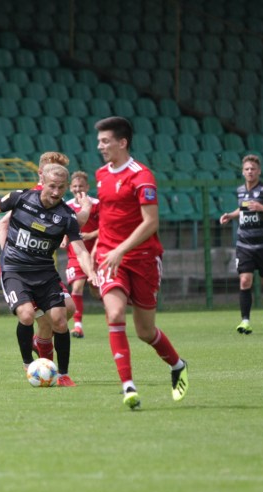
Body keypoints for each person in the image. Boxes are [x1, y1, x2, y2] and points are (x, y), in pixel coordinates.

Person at [92, 116, 188, 409]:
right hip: (110, 256)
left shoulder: (142, 176)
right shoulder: (100, 175)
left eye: (105, 141)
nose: (100, 146)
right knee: (116, 312)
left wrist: (122, 249)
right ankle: (128, 386)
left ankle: (178, 365)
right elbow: (108, 216)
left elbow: (151, 222)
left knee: (145, 331)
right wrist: (101, 247)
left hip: (143, 259)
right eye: (99, 141)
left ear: (122, 142)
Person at [0, 164, 94, 387]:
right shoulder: (21, 198)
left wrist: (91, 273)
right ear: (43, 182)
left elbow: (79, 248)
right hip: (15, 270)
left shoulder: (66, 216)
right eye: (52, 186)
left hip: (45, 274)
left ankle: (63, 375)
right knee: (26, 315)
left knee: (60, 321)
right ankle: (27, 363)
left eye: (61, 188)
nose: (55, 192)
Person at [219, 154, 263, 334]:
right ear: (243, 171)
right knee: (245, 280)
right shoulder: (241, 190)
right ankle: (245, 321)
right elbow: (244, 207)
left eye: (253, 169)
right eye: (247, 169)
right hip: (244, 244)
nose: (250, 172)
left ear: (259, 171)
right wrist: (230, 216)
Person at [64, 171, 100, 339]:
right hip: (75, 254)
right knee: (77, 287)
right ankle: (78, 326)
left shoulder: (97, 204)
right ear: (71, 188)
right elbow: (64, 226)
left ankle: (113, 314)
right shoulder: (67, 206)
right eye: (75, 186)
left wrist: (91, 235)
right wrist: (64, 238)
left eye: (81, 186)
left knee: (96, 289)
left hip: (97, 254)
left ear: (87, 187)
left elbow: (107, 227)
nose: (78, 189)